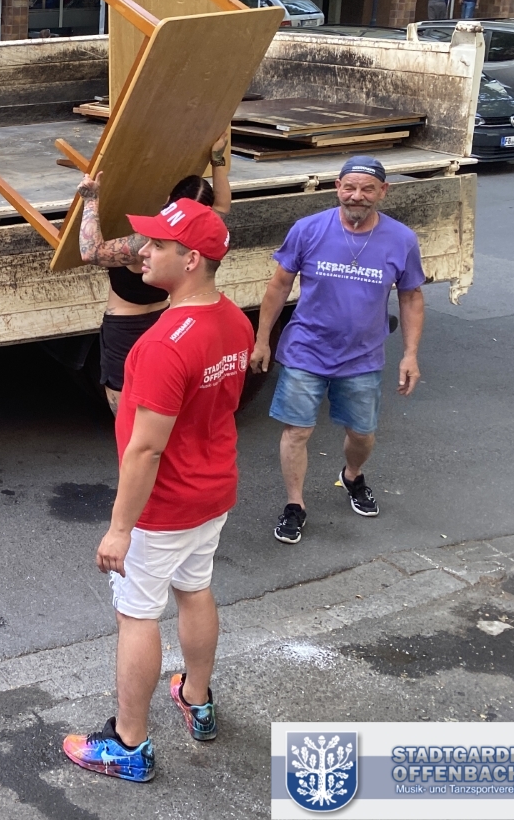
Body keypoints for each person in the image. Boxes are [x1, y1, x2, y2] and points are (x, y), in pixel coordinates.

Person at [63, 199, 254, 784]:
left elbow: (145, 450)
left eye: (157, 245)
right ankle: (197, 701)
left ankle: (129, 743)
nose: (142, 252)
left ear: (190, 259)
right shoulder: (234, 319)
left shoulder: (162, 345)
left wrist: (120, 529)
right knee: (194, 590)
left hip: (163, 507)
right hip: (212, 490)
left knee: (137, 615)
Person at [250, 156, 425, 546]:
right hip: (306, 350)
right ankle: (295, 504)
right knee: (297, 431)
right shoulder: (308, 229)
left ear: (383, 191)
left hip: (362, 356)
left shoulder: (401, 239)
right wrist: (262, 340)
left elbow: (411, 296)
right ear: (337, 188)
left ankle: (352, 475)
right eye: (350, 187)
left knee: (362, 434)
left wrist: (410, 354)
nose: (357, 196)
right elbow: (279, 285)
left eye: (367, 189)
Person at [77, 135, 232, 414]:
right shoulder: (204, 232)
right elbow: (222, 206)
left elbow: (91, 252)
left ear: (168, 201)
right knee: (161, 406)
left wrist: (91, 200)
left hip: (125, 331)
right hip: (165, 321)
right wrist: (217, 159)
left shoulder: (147, 241)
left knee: (127, 415)